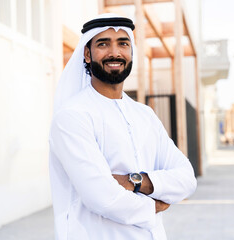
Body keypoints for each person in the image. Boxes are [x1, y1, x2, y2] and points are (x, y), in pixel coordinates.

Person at [49, 13, 197, 240]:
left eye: (123, 44)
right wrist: (155, 202)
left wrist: (134, 182)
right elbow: (102, 197)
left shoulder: (144, 115)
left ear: (131, 52)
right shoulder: (72, 116)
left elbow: (186, 178)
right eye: (103, 44)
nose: (115, 53)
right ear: (87, 54)